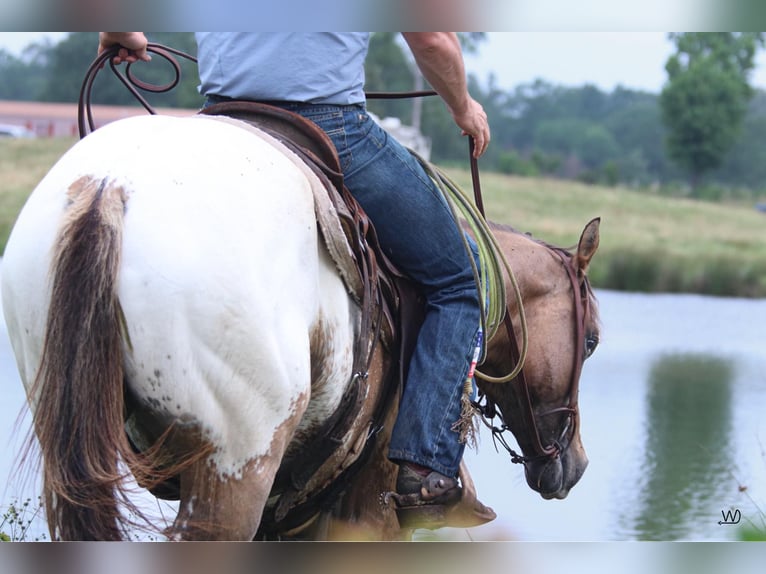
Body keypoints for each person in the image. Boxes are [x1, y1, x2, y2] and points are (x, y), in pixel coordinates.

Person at [98, 32, 495, 529]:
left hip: (223, 119)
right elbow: (433, 38)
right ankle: (426, 465)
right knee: (459, 277)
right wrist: (463, 107)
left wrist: (120, 33)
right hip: (329, 127)